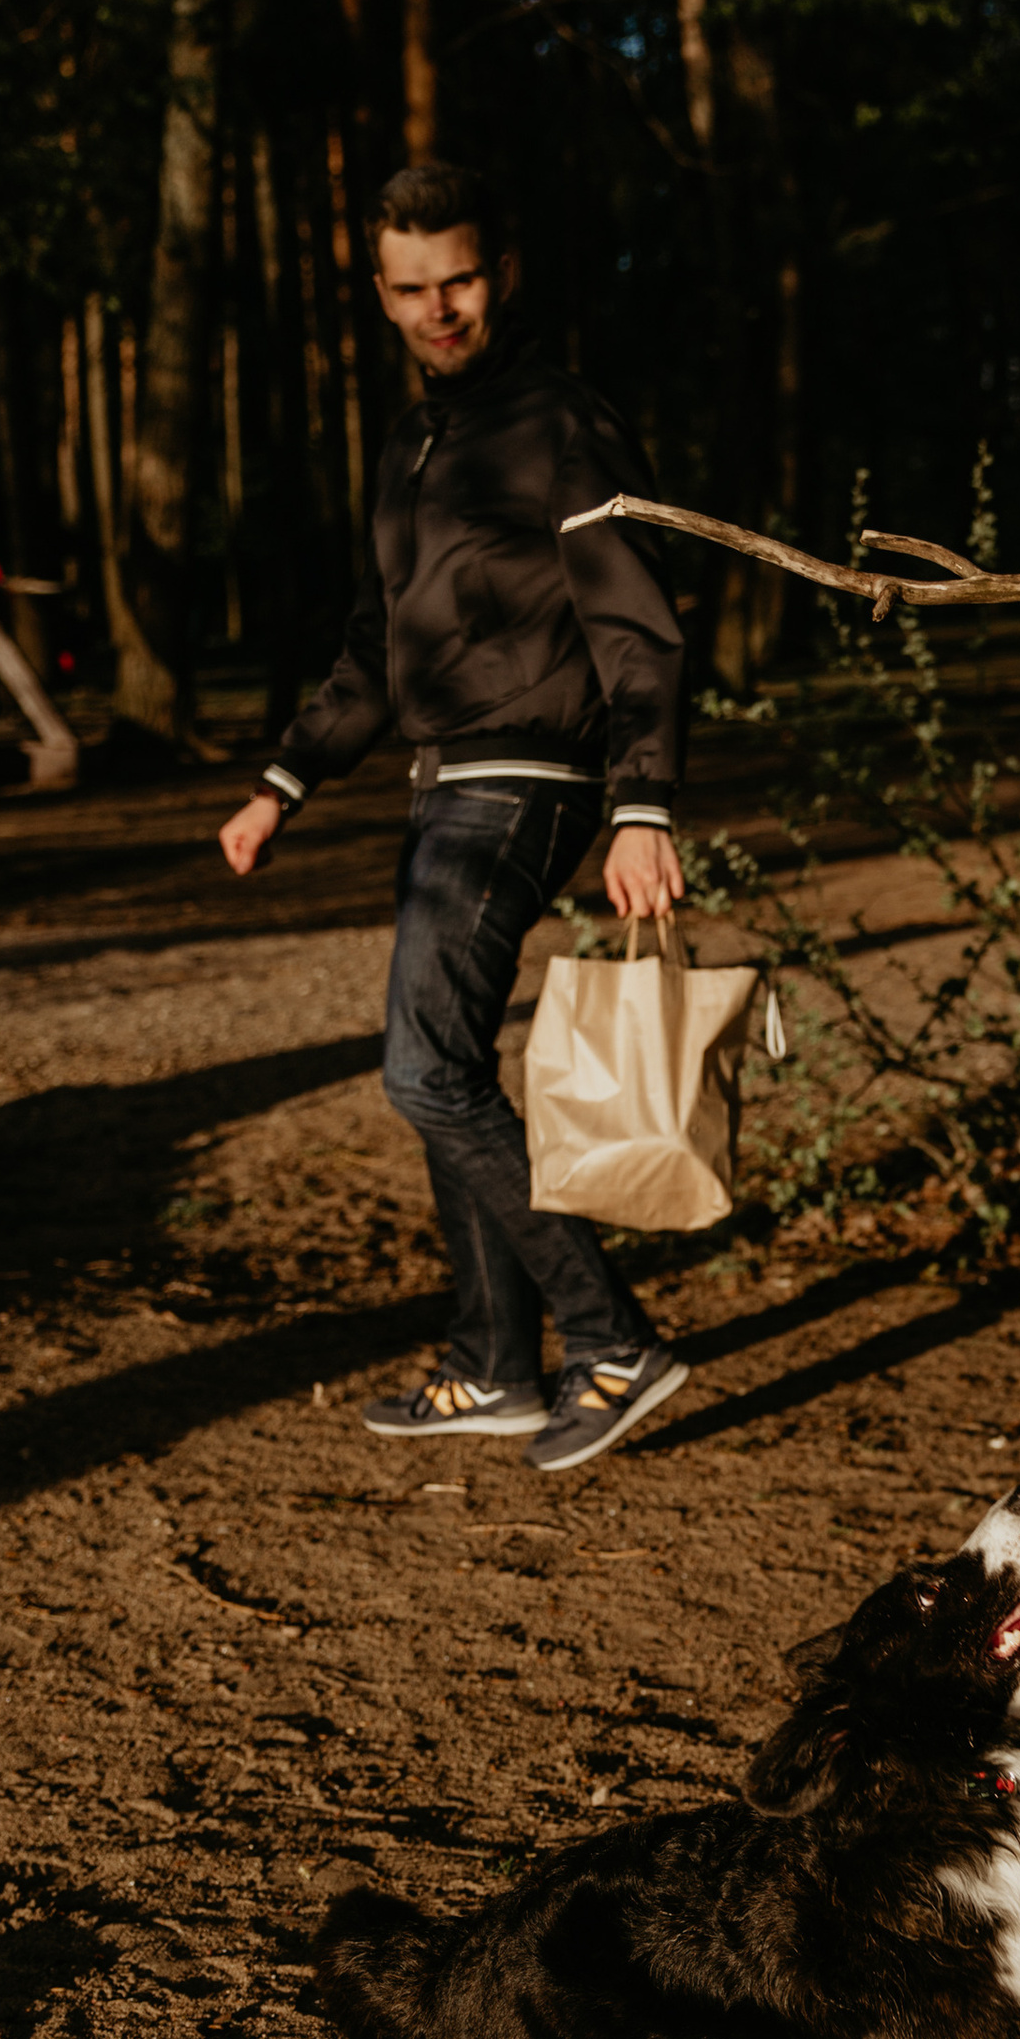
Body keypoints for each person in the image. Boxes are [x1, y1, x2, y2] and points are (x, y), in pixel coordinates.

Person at [219, 160, 691, 1475]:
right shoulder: (416, 438)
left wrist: (644, 805)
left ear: (503, 271)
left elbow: (637, 621)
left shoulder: (562, 422)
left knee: (423, 1069)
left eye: (462, 281)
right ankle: (495, 1363)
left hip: (528, 781)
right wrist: (285, 783)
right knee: (452, 1072)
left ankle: (611, 1343)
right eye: (414, 288)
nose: (442, 309)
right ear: (380, 292)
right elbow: (379, 644)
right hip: (442, 789)